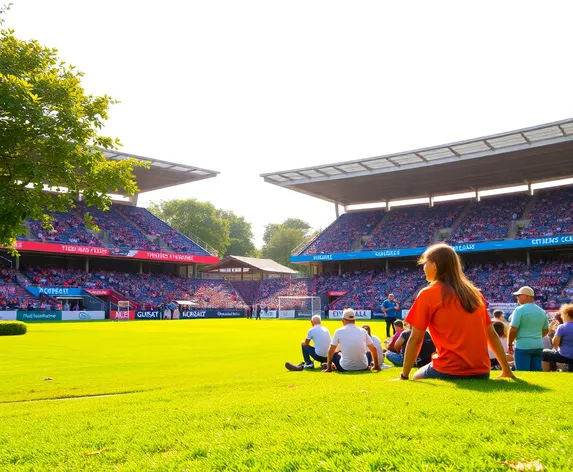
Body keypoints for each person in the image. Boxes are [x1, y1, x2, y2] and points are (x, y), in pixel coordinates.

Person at [399, 243, 514, 381]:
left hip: (449, 369)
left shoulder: (428, 293)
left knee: (417, 376)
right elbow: (492, 335)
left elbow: (416, 339)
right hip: (482, 371)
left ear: (435, 265)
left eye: (425, 263)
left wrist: (404, 375)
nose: (423, 268)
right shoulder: (475, 293)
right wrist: (506, 370)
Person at [507, 286, 549, 372]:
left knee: (523, 373)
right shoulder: (542, 311)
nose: (517, 298)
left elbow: (513, 329)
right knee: (537, 372)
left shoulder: (519, 310)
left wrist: (509, 344)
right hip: (538, 345)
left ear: (525, 296)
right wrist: (535, 337)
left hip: (523, 346)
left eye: (518, 296)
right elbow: (546, 330)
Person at [542, 304, 573, 372]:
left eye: (562, 315)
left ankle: (548, 374)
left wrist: (553, 332)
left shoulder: (562, 327)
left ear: (567, 315)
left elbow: (555, 343)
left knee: (544, 353)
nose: (561, 317)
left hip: (565, 356)